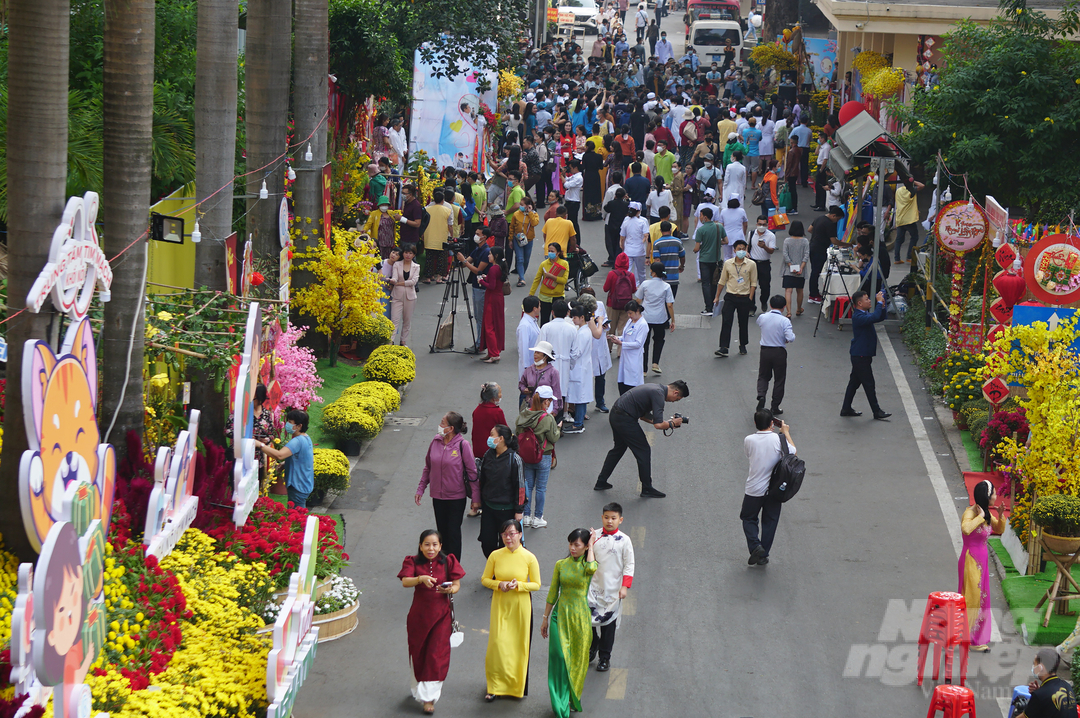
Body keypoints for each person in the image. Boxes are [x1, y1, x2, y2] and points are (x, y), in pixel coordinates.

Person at [398, 530, 466, 714]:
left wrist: (451, 589)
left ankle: (429, 698)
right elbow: (405, 581)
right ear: (420, 546)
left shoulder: (448, 561)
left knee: (436, 656)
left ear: (440, 546)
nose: (431, 548)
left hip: (441, 617)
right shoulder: (411, 561)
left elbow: (457, 585)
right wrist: (420, 579)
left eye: (435, 544)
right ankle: (418, 690)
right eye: (427, 544)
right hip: (418, 617)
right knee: (418, 653)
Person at [594, 380, 688, 498]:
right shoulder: (659, 395)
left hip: (616, 414)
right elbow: (658, 425)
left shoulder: (655, 388)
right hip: (624, 419)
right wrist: (672, 424)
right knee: (643, 450)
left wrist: (668, 422)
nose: (674, 402)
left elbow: (644, 416)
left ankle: (601, 481)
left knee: (618, 449)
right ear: (675, 393)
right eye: (677, 399)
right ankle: (647, 488)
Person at [481, 520, 542, 701]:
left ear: (520, 534)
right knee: (497, 645)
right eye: (504, 534)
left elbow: (536, 584)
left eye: (512, 533)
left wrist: (519, 585)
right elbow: (485, 579)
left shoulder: (529, 557)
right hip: (500, 604)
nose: (508, 538)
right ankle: (494, 686)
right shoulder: (495, 555)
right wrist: (499, 584)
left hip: (520, 606)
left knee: (517, 646)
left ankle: (516, 686)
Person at [542, 529, 598, 717]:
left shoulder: (588, 565)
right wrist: (545, 618)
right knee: (559, 657)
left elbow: (591, 569)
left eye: (577, 545)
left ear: (585, 547)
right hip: (560, 616)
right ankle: (560, 704)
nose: (572, 548)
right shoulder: (561, 565)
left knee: (576, 661)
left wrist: (591, 547)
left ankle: (573, 697)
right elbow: (552, 593)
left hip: (580, 618)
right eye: (570, 544)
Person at [416, 412, 481, 560]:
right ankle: (442, 566)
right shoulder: (436, 441)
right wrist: (421, 488)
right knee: (441, 533)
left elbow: (472, 473)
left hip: (456, 498)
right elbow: (428, 467)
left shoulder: (462, 445)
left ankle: (454, 567)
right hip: (438, 497)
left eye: (442, 422)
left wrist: (475, 499)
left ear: (451, 428)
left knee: (453, 533)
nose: (440, 425)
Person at [742, 410, 797, 565]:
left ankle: (755, 546)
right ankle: (763, 553)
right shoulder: (778, 439)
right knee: (770, 521)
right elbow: (793, 452)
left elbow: (749, 455)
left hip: (754, 489)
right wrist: (785, 433)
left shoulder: (749, 440)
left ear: (755, 424)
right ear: (772, 423)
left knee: (748, 517)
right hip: (774, 490)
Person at [959, 480, 1006, 652]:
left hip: (982, 559)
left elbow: (999, 529)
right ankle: (968, 637)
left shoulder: (987, 513)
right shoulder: (970, 512)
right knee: (972, 598)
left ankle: (975, 638)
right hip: (971, 559)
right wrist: (979, 517)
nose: (995, 496)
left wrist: (1000, 516)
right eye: (993, 493)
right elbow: (966, 529)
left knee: (982, 598)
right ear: (986, 496)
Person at [588, 503, 636, 672]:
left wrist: (624, 587)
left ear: (620, 520)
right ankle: (592, 645)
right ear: (602, 518)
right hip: (593, 588)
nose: (609, 521)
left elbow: (629, 565)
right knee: (589, 622)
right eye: (606, 517)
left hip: (613, 591)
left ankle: (604, 658)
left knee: (608, 626)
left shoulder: (625, 540)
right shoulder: (594, 536)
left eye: (613, 518)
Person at [841, 290, 892, 420]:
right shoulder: (858, 316)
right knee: (869, 384)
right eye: (867, 299)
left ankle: (846, 408)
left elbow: (879, 317)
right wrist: (879, 302)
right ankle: (876, 411)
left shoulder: (863, 314)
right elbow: (874, 317)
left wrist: (883, 305)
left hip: (862, 354)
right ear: (859, 303)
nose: (869, 301)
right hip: (860, 355)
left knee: (854, 383)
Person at [477, 425, 526, 557]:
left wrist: (519, 510)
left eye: (492, 435)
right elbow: (482, 480)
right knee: (487, 542)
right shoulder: (488, 454)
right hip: (489, 508)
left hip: (507, 510)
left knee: (506, 544)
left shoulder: (514, 459)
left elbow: (520, 486)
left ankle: (501, 572)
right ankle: (493, 566)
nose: (489, 438)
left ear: (501, 438)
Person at [516, 386, 561, 529]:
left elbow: (517, 431)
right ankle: (538, 517)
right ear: (546, 402)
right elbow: (553, 438)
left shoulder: (523, 414)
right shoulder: (547, 418)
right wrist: (558, 428)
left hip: (526, 456)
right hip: (543, 456)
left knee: (528, 485)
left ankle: (527, 516)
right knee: (541, 488)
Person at [254, 409, 314, 509]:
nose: (287, 425)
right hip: (304, 483)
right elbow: (300, 458)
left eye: (290, 422)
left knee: (297, 516)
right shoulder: (305, 438)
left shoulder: (297, 441)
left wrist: (260, 445)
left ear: (299, 426)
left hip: (298, 486)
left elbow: (279, 455)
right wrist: (284, 464)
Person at [714, 238, 758, 358]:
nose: (741, 251)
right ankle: (724, 347)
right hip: (730, 296)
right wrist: (717, 297)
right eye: (739, 249)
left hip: (744, 297)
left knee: (743, 322)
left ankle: (742, 344)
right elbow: (722, 281)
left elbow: (753, 283)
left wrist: (750, 298)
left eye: (743, 249)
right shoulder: (728, 263)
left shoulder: (751, 264)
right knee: (726, 321)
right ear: (734, 250)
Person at [565, 305, 604, 434]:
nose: (573, 320)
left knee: (580, 397)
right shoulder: (585, 330)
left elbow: (576, 353)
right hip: (583, 367)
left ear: (582, 318)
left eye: (575, 317)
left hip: (579, 368)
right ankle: (579, 421)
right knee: (580, 396)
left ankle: (578, 424)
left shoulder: (582, 333)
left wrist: (567, 360)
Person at [756, 295, 796, 415]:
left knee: (763, 376)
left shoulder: (762, 317)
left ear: (770, 305)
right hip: (779, 351)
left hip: (765, 350)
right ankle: (775, 406)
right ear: (784, 307)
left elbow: (760, 324)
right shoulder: (784, 321)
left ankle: (761, 395)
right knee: (779, 379)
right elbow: (791, 337)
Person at [539, 299, 578, 420]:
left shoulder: (546, 327)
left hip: (548, 364)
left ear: (552, 312)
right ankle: (558, 424)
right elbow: (575, 352)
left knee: (547, 392)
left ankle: (545, 421)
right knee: (561, 393)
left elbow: (539, 348)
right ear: (567, 313)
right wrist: (570, 365)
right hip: (565, 363)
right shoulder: (572, 329)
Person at [635, 261, 675, 376]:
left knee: (644, 343)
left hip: (646, 317)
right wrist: (673, 320)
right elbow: (669, 305)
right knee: (658, 340)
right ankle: (655, 363)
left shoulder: (645, 284)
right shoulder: (666, 286)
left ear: (652, 272)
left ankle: (643, 369)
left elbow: (638, 300)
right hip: (660, 318)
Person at [1015, 649, 1075, 718]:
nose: (1033, 667)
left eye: (1034, 664)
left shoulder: (1040, 695)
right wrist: (1040, 690)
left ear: (1040, 667)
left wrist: (1038, 694)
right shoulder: (1066, 685)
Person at [808, 206, 846, 304]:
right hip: (820, 249)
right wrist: (846, 244)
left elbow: (809, 229)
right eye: (837, 219)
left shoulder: (819, 218)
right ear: (833, 216)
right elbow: (834, 240)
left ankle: (814, 292)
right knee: (816, 272)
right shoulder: (829, 224)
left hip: (812, 246)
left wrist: (818, 234)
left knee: (814, 271)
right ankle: (813, 295)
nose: (837, 221)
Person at [529, 243, 571, 325]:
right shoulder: (544, 264)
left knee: (557, 322)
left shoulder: (564, 264)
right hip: (544, 297)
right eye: (549, 251)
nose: (550, 253)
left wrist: (551, 276)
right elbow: (537, 280)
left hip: (558, 296)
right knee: (544, 321)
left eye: (552, 251)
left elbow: (564, 280)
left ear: (558, 253)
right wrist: (531, 294)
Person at [479, 246, 507, 363]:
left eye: (490, 254)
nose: (488, 256)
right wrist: (487, 278)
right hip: (498, 298)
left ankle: (494, 353)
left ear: (495, 256)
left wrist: (481, 281)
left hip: (492, 298)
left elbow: (491, 286)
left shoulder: (493, 269)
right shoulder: (499, 268)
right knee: (495, 324)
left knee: (489, 326)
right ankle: (492, 352)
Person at [519, 341, 562, 418]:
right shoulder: (529, 370)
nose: (535, 354)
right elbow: (521, 383)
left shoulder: (553, 372)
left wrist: (555, 410)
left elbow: (556, 392)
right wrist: (524, 389)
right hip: (530, 407)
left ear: (545, 356)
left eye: (538, 353)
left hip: (546, 409)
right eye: (535, 352)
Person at [694, 207, 725, 315]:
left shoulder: (701, 230)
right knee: (714, 283)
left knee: (705, 283)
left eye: (701, 215)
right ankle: (714, 302)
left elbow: (696, 248)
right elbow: (726, 241)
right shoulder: (719, 227)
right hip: (716, 260)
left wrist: (697, 248)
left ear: (705, 217)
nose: (700, 217)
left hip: (704, 260)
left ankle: (708, 307)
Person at [613, 300, 648, 393]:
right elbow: (626, 336)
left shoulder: (643, 325)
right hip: (625, 357)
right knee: (622, 384)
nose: (629, 315)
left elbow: (638, 344)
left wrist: (621, 343)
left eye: (630, 313)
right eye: (628, 313)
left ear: (637, 311)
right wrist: (617, 338)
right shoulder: (630, 321)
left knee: (631, 386)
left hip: (634, 359)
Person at [422, 188, 454, 284]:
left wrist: (423, 235)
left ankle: (428, 277)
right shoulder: (447, 210)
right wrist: (451, 236)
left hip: (429, 236)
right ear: (443, 200)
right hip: (442, 237)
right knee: (442, 258)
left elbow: (423, 224)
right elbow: (450, 225)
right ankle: (439, 278)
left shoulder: (427, 209)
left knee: (429, 258)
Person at [389, 244, 419, 346]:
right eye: (406, 252)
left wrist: (400, 283)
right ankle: (391, 341)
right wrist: (393, 281)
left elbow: (413, 281)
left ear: (414, 255)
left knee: (407, 320)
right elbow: (395, 277)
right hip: (397, 295)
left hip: (410, 297)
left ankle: (403, 341)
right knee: (394, 320)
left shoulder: (416, 267)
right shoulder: (397, 264)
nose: (408, 255)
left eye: (410, 253)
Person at [472, 382, 508, 468]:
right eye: (500, 392)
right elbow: (505, 430)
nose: (501, 395)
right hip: (492, 451)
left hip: (477, 449)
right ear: (494, 397)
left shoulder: (477, 410)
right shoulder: (497, 412)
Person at [604, 252, 637, 340]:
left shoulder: (612, 274)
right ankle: (621, 352)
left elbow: (605, 289)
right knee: (622, 329)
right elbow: (633, 290)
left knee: (610, 328)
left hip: (612, 304)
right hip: (626, 305)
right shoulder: (631, 275)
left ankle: (608, 349)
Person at [510, 196, 541, 286]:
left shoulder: (534, 214)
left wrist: (530, 213)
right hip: (517, 239)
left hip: (529, 240)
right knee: (520, 259)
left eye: (522, 205)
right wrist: (510, 239)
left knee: (526, 259)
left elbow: (535, 223)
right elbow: (511, 227)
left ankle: (521, 274)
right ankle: (522, 279)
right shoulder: (516, 214)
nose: (520, 206)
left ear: (528, 206)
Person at [893, 179, 925, 264]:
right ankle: (909, 256)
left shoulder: (898, 191)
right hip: (909, 219)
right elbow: (922, 185)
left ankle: (897, 259)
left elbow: (904, 203)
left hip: (900, 218)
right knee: (914, 237)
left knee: (899, 240)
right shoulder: (911, 190)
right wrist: (913, 181)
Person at [782, 220, 810, 317]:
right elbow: (806, 255)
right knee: (800, 290)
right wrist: (801, 267)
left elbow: (785, 254)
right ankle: (798, 309)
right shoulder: (805, 241)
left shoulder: (787, 241)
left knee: (788, 291)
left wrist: (790, 265)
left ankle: (788, 312)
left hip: (788, 270)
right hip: (800, 270)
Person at [748, 217, 776, 313]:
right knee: (751, 286)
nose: (761, 226)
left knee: (765, 286)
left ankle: (764, 301)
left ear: (767, 225)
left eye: (764, 224)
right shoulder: (751, 233)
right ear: (756, 224)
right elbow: (748, 245)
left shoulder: (771, 236)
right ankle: (751, 307)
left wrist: (764, 247)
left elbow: (771, 251)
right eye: (760, 224)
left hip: (764, 264)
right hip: (752, 263)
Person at [619, 201, 650, 284]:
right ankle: (641, 288)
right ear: (639, 211)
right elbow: (646, 236)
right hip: (640, 250)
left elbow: (622, 237)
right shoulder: (642, 221)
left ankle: (626, 286)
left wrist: (622, 246)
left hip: (628, 250)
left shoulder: (626, 221)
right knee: (641, 272)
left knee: (627, 270)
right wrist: (645, 245)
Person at [653, 221, 685, 296]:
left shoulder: (657, 243)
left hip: (662, 277)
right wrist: (682, 266)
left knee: (662, 300)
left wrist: (661, 273)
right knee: (670, 301)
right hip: (674, 277)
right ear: (670, 230)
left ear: (660, 230)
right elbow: (682, 256)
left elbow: (657, 261)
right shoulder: (678, 242)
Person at [517, 295, 542, 388]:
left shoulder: (532, 321)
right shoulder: (525, 326)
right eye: (539, 306)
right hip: (529, 368)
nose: (540, 308)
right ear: (534, 308)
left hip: (534, 365)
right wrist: (527, 369)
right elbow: (523, 348)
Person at [719, 194, 748, 264]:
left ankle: (727, 271)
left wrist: (721, 237)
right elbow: (745, 224)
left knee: (727, 256)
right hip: (738, 236)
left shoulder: (724, 211)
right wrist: (744, 232)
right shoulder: (742, 211)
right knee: (738, 255)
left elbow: (721, 225)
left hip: (726, 236)